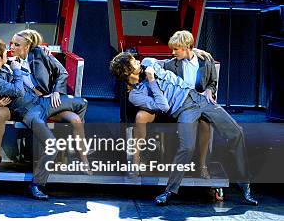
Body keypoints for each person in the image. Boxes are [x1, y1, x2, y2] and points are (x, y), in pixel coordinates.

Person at [109, 52, 257, 206]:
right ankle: (169, 190)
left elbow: (173, 59)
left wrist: (193, 50)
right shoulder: (136, 94)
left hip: (198, 98)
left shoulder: (149, 62)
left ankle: (245, 185)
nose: (138, 62)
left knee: (236, 132)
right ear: (127, 72)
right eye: (133, 62)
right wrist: (152, 80)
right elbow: (163, 106)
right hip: (184, 109)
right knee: (187, 147)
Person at [0, 38, 89, 200]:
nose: (8, 54)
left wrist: (44, 52)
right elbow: (17, 91)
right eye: (4, 53)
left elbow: (27, 49)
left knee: (81, 103)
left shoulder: (5, 63)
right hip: (28, 111)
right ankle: (37, 183)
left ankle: (75, 151)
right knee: (52, 144)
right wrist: (17, 70)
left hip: (41, 101)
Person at [132, 30, 217, 178]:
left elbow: (212, 82)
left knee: (205, 123)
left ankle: (202, 164)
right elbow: (152, 62)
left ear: (187, 47)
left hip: (195, 104)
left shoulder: (205, 61)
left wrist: (209, 90)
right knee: (141, 116)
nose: (172, 53)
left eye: (176, 49)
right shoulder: (172, 64)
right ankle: (136, 160)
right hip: (170, 104)